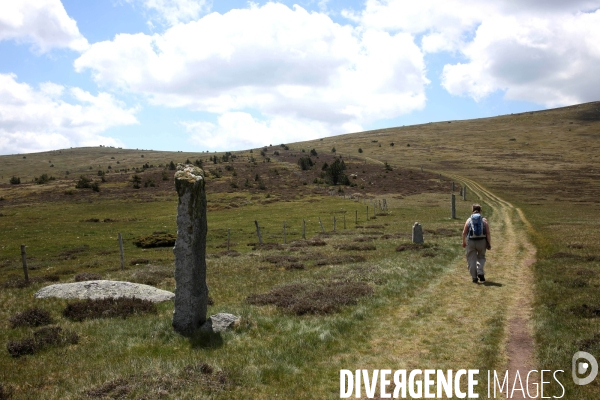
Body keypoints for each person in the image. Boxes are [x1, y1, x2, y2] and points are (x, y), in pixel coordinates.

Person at [462, 204, 491, 283]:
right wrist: (488, 243)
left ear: (472, 210)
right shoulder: (484, 220)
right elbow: (488, 233)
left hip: (471, 241)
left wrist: (464, 242)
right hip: (482, 241)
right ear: (480, 211)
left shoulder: (469, 220)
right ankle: (480, 272)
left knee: (471, 259)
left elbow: (464, 232)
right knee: (481, 257)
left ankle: (474, 278)